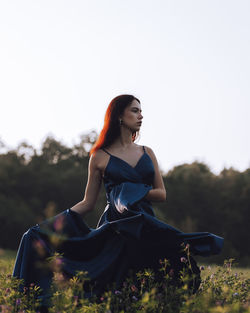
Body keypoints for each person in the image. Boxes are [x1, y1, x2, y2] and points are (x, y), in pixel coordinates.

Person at [13, 94, 224, 309]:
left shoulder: (147, 152)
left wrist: (130, 191)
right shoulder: (99, 157)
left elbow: (161, 193)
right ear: (119, 116)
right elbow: (87, 203)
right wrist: (49, 227)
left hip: (143, 223)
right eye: (135, 110)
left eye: (141, 111)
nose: (141, 116)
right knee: (113, 292)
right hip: (114, 228)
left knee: (158, 280)